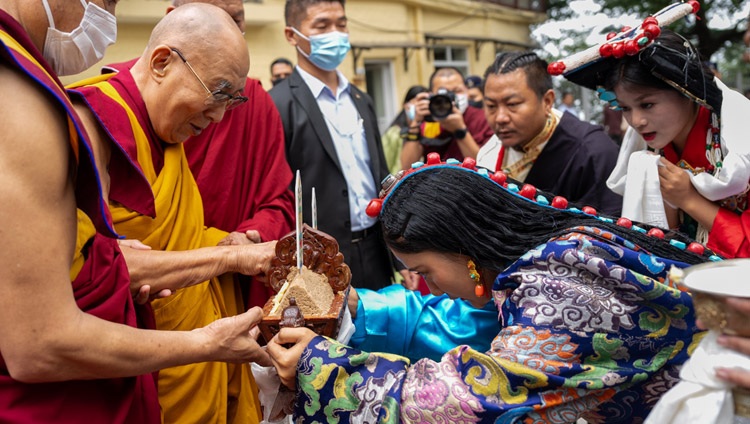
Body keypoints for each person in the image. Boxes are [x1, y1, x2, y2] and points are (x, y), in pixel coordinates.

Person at [267, 158, 713, 423]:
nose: (431, 286)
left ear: (464, 250)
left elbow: (470, 399)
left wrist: (318, 365)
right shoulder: (554, 257)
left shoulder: (555, 289)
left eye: (425, 270)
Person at [0, 1, 272, 422]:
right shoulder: (91, 123)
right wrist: (229, 259)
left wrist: (226, 241)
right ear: (162, 63)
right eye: (217, 93)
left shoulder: (165, 134)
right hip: (113, 365)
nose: (219, 116)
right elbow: (82, 277)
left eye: (231, 102)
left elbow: (133, 251)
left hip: (165, 357)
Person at [559, 22, 750, 258]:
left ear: (687, 91)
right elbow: (663, 237)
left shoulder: (740, 139)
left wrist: (688, 199)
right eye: (625, 108)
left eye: (647, 104)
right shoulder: (652, 148)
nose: (636, 121)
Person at [270, 0, 407, 291]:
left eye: (341, 24)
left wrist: (400, 256)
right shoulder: (278, 104)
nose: (336, 33)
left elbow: (381, 175)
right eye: (322, 26)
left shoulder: (360, 99)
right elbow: (277, 194)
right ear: (292, 35)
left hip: (375, 252)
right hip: (319, 261)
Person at [477, 51, 623, 216]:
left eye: (512, 104)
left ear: (547, 101)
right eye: (491, 106)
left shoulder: (593, 152)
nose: (500, 118)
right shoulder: (489, 153)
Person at [401, 67, 494, 168]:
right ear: (431, 95)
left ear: (466, 91)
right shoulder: (429, 120)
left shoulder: (482, 118)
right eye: (443, 92)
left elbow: (485, 167)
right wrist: (415, 123)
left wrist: (459, 131)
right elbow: (407, 166)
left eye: (457, 91)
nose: (450, 98)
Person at [381, 85, 428, 174]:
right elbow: (386, 164)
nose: (421, 108)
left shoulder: (430, 129)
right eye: (417, 103)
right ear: (406, 105)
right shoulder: (395, 133)